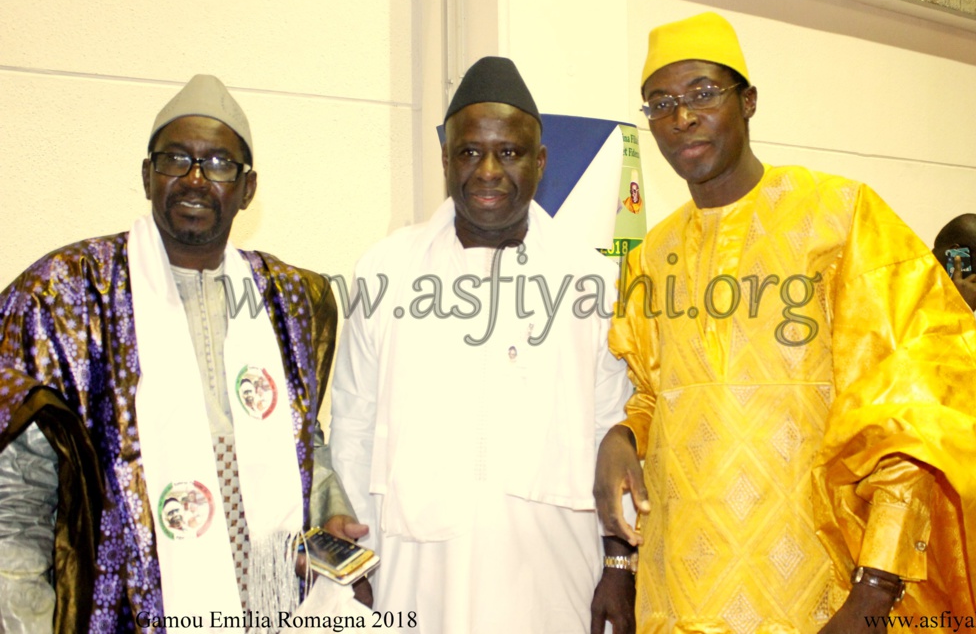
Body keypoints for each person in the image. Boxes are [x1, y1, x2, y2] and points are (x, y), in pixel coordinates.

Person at [594, 12, 976, 633]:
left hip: (811, 589)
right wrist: (620, 448)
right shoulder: (650, 259)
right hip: (676, 588)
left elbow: (917, 414)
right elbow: (656, 398)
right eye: (660, 103)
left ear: (749, 100)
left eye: (702, 94)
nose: (680, 116)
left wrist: (875, 588)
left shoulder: (844, 219)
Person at [0, 74, 366, 632]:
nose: (196, 178)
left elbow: (302, 441)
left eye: (220, 164)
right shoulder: (62, 295)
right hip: (130, 614)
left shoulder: (289, 299)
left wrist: (328, 510)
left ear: (247, 189)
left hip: (270, 609)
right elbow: (16, 500)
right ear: (147, 175)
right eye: (176, 159)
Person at [330, 56, 634, 633]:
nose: (488, 170)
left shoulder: (591, 279)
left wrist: (619, 566)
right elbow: (353, 424)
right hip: (415, 568)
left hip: (553, 575)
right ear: (446, 159)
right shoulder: (386, 269)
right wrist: (351, 567)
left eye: (510, 152)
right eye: (469, 152)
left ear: (539, 162)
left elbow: (613, 428)